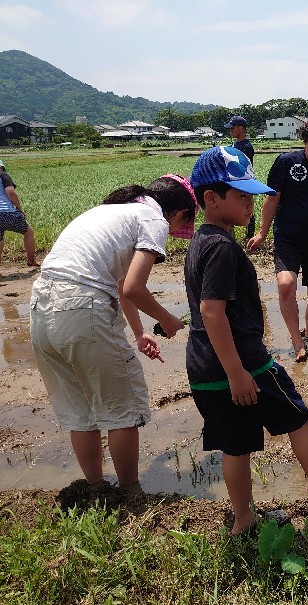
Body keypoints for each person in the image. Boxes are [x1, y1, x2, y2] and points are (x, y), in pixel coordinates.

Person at [187, 146, 308, 535]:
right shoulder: (223, 247)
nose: (251, 204)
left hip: (204, 366)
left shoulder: (199, 242)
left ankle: (243, 520)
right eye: (241, 196)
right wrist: (239, 372)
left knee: (235, 443)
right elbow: (212, 312)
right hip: (245, 363)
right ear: (211, 198)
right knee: (298, 420)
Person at [29, 173, 198, 494]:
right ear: (178, 214)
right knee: (121, 408)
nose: (176, 230)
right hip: (81, 309)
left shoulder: (111, 212)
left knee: (81, 412)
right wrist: (167, 319)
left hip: (42, 308)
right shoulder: (154, 218)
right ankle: (130, 492)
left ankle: (95, 487)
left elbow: (121, 286)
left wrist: (139, 334)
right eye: (183, 223)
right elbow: (135, 288)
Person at [246, 118, 308, 362]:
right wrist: (261, 232)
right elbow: (272, 199)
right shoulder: (286, 162)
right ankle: (297, 341)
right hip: (287, 237)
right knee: (286, 284)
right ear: (304, 142)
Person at [0, 158, 38, 266]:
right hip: (7, 212)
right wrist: (19, 208)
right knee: (29, 232)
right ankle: (31, 260)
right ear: (1, 167)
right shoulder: (3, 175)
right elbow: (10, 192)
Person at [224, 115, 257, 240]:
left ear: (241, 128)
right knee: (230, 207)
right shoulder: (234, 145)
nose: (230, 130)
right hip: (233, 181)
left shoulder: (246, 147)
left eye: (233, 128)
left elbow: (242, 167)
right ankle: (230, 236)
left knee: (247, 208)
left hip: (244, 181)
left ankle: (249, 236)